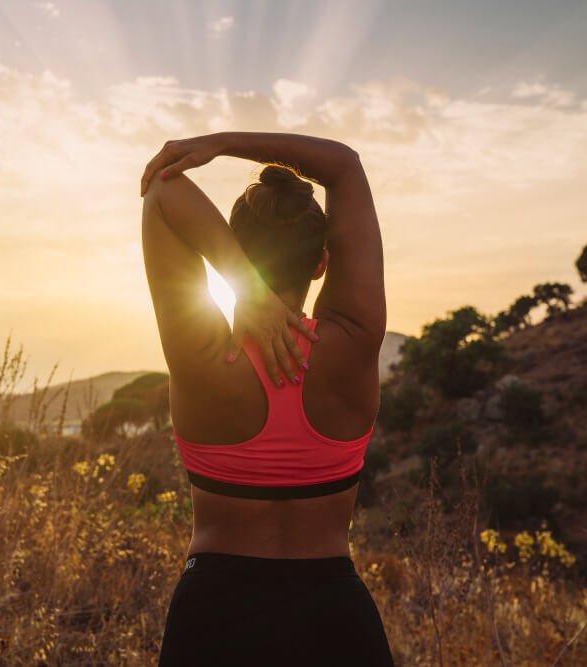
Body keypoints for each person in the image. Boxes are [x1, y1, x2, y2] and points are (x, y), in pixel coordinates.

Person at [139, 132, 395, 665]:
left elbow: (163, 196)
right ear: (322, 262)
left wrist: (246, 285)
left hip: (215, 616)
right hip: (335, 618)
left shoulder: (202, 356)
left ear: (233, 257)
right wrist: (222, 144)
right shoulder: (352, 341)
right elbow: (344, 165)